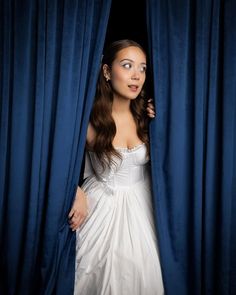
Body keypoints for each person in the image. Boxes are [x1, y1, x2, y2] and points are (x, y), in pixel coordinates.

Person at [68, 39, 164, 295]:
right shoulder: (87, 119)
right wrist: (74, 190)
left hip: (144, 203)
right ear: (107, 72)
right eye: (127, 65)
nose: (137, 76)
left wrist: (162, 119)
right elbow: (60, 161)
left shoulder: (149, 115)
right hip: (102, 206)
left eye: (142, 68)